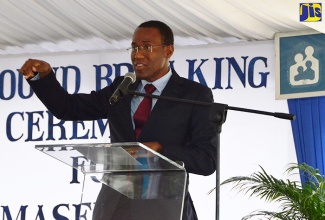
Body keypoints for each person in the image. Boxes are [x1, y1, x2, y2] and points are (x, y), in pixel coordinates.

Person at [20, 20, 217, 220]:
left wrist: (159, 148)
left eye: (146, 47)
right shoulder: (122, 88)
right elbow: (69, 109)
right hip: (114, 207)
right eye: (134, 48)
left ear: (168, 51)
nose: (137, 55)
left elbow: (206, 161)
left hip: (165, 209)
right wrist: (42, 78)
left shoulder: (194, 95)